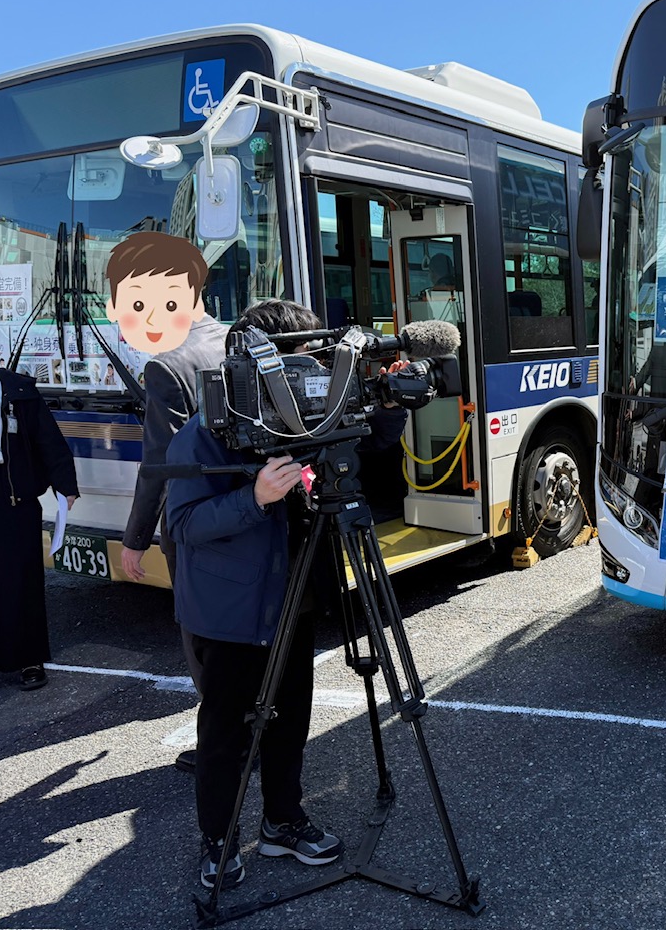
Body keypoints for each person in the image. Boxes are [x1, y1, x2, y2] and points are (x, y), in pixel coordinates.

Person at [165, 300, 407, 890]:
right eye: (299, 358)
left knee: (291, 717)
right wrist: (255, 499)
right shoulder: (207, 431)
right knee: (225, 732)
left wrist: (389, 401)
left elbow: (367, 447)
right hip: (230, 611)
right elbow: (184, 526)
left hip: (296, 598)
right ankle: (218, 839)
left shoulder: (304, 414)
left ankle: (282, 820)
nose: (313, 373)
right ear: (261, 361)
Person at [107, 232, 228, 774]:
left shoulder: (168, 365)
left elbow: (161, 463)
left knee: (203, 636)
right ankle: (258, 725)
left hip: (194, 522)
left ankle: (223, 744)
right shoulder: (238, 341)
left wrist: (134, 540)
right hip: (249, 510)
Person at [0, 367, 79, 690]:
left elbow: (48, 438)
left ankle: (30, 659)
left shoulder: (17, 389)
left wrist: (65, 484)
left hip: (12, 493)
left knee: (22, 580)